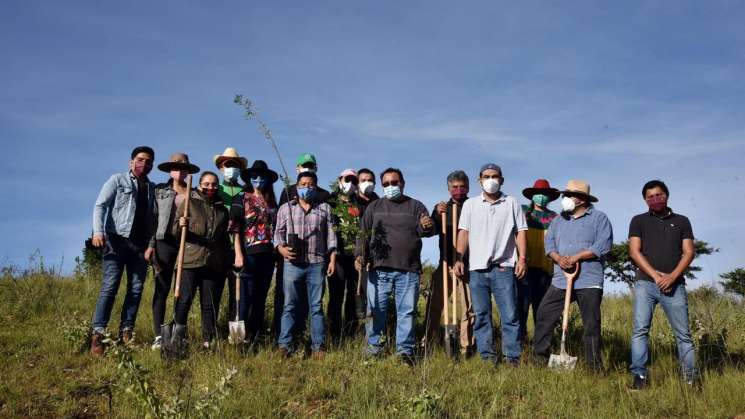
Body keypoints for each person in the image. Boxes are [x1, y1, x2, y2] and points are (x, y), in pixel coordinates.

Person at [355, 168, 435, 364]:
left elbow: (427, 230)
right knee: (375, 311)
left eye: (394, 182)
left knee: (406, 312)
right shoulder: (374, 207)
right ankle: (374, 350)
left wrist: (427, 224)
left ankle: (405, 353)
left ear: (403, 183)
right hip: (378, 268)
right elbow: (363, 234)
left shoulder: (416, 207)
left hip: (408, 269)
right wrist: (359, 255)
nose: (391, 186)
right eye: (386, 184)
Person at [532, 180, 613, 372]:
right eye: (565, 195)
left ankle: (594, 367)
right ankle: (539, 360)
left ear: (582, 199)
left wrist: (577, 257)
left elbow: (603, 245)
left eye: (570, 195)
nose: (565, 199)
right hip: (561, 279)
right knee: (544, 314)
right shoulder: (558, 221)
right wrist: (558, 258)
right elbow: (549, 245)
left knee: (591, 325)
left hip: (589, 280)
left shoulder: (599, 219)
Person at [453, 164, 528, 366]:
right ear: (479, 180)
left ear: (502, 179)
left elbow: (520, 231)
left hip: (504, 266)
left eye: (495, 176)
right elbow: (463, 233)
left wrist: (522, 259)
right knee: (481, 314)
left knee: (510, 315)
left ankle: (512, 357)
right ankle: (487, 357)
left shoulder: (511, 202)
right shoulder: (471, 205)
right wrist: (459, 259)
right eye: (486, 176)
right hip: (477, 268)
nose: (491, 180)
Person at [628, 180, 697, 389]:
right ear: (645, 200)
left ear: (666, 195)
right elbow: (634, 251)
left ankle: (689, 380)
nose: (655, 199)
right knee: (640, 330)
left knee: (683, 334)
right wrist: (657, 277)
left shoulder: (682, 221)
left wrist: (672, 277)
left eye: (659, 195)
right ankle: (639, 377)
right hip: (645, 284)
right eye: (650, 197)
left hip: (675, 285)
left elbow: (689, 252)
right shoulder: (638, 221)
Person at [89, 146, 156, 355]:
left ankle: (126, 333)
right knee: (110, 287)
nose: (143, 164)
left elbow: (154, 220)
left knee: (135, 290)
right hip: (116, 241)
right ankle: (97, 334)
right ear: (131, 162)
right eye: (139, 159)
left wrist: (150, 246)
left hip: (140, 246)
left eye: (148, 161)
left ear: (152, 165)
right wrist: (98, 232)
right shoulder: (118, 180)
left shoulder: (152, 189)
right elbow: (100, 205)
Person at [274, 171, 337, 358]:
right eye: (303, 184)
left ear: (316, 188)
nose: (306, 188)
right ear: (297, 186)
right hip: (292, 263)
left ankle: (318, 346)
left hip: (316, 263)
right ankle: (285, 345)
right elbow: (277, 233)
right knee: (290, 305)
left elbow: (331, 237)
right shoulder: (286, 208)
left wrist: (332, 259)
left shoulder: (325, 208)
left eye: (310, 184)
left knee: (316, 307)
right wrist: (281, 249)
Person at [172, 171, 232, 350]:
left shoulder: (222, 210)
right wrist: (180, 224)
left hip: (213, 263)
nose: (210, 188)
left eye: (214, 184)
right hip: (190, 259)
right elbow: (175, 231)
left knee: (210, 305)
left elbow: (223, 238)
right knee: (184, 300)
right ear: (199, 185)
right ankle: (177, 338)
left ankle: (208, 341)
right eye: (206, 184)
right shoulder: (189, 202)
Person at [147, 153, 200, 350]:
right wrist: (151, 245)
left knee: (183, 290)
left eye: (183, 168)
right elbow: (153, 220)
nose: (180, 171)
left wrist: (189, 222)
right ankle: (159, 334)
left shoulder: (194, 194)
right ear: (170, 170)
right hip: (164, 243)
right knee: (162, 288)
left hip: (186, 245)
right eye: (176, 167)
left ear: (188, 172)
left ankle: (178, 332)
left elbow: (200, 220)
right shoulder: (160, 191)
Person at [422, 170, 475, 355]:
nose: (458, 190)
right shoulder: (442, 208)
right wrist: (436, 215)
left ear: (468, 187)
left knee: (468, 308)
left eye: (462, 187)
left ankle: (466, 346)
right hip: (445, 263)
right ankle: (427, 341)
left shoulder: (475, 206)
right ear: (448, 188)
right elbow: (430, 231)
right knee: (434, 304)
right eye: (454, 187)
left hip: (468, 265)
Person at [229, 160, 279, 344]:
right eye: (255, 176)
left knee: (260, 297)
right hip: (248, 254)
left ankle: (255, 337)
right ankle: (238, 339)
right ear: (250, 178)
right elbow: (234, 228)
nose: (258, 179)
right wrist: (238, 254)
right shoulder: (242, 197)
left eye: (262, 176)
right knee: (244, 298)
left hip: (268, 255)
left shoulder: (271, 202)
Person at [517, 179, 560, 345]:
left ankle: (541, 347)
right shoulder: (522, 212)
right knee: (520, 309)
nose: (541, 197)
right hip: (523, 269)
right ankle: (519, 345)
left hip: (545, 271)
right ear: (532, 196)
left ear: (549, 197)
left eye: (545, 194)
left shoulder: (555, 218)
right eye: (538, 194)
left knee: (542, 311)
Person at [327, 169, 367, 340]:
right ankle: (333, 333)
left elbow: (364, 230)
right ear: (340, 180)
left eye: (354, 180)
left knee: (353, 295)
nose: (350, 183)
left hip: (355, 257)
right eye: (347, 179)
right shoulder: (331, 201)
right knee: (336, 296)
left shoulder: (359, 203)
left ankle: (350, 332)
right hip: (337, 256)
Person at [214, 147, 248, 337]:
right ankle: (212, 332)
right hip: (218, 247)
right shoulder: (214, 189)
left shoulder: (245, 191)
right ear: (221, 167)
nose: (231, 168)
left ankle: (234, 335)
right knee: (215, 290)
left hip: (239, 249)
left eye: (234, 165)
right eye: (227, 164)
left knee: (237, 293)